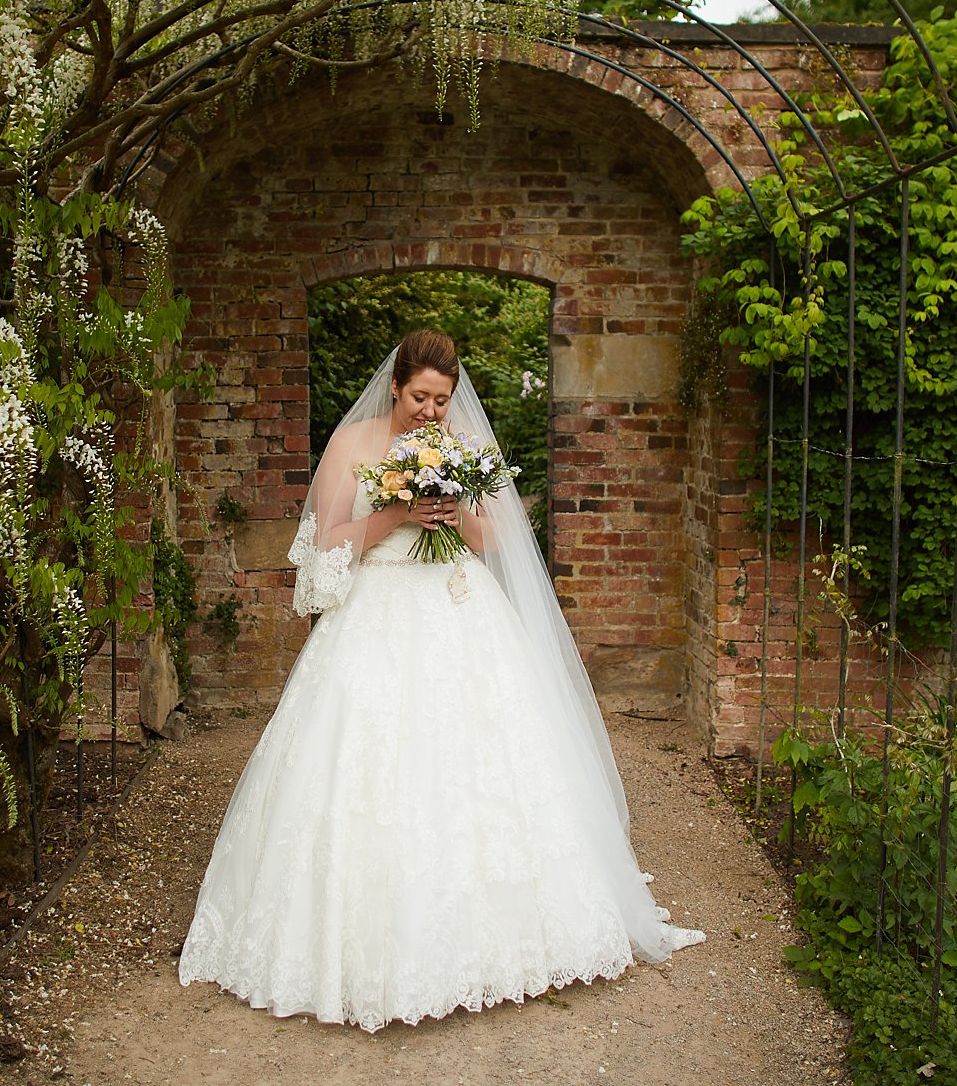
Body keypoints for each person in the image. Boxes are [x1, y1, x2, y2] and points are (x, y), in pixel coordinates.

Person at [177, 329, 704, 1033]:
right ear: (395, 387)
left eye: (442, 400)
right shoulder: (353, 445)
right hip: (378, 612)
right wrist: (394, 514)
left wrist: (456, 512)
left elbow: (497, 539)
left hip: (459, 607)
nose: (431, 411)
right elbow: (324, 547)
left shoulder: (463, 446)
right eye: (420, 396)